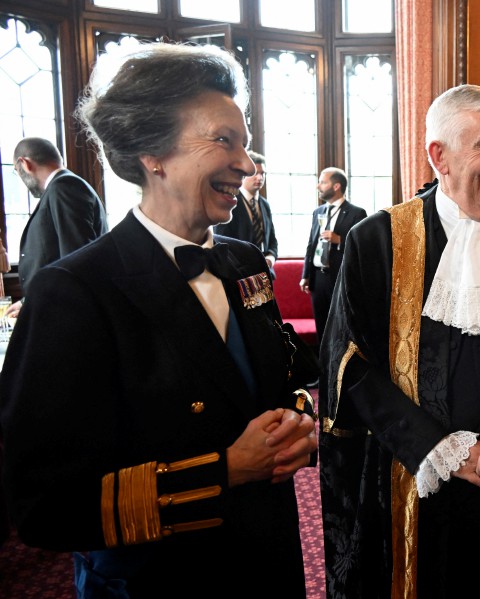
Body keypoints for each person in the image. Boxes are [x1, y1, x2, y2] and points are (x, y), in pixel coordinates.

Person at [0, 42, 319, 596]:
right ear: (154, 154)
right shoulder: (76, 292)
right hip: (158, 580)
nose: (245, 165)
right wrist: (224, 471)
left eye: (244, 144)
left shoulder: (243, 261)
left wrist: (296, 426)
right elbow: (44, 506)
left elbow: (276, 379)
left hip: (268, 560)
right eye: (223, 140)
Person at [318, 84, 480, 598]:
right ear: (438, 155)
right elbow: (348, 360)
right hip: (414, 475)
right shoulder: (378, 241)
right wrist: (432, 446)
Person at [9, 137, 108, 317]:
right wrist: (28, 301)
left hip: (67, 314)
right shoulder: (65, 186)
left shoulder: (64, 187)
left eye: (17, 171)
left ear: (24, 164)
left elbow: (76, 258)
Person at [299, 167, 367, 350]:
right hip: (318, 279)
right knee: (321, 326)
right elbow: (311, 245)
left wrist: (340, 240)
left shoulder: (357, 213)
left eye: (323, 182)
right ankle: (324, 375)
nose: (318, 186)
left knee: (341, 326)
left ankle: (342, 373)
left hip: (340, 278)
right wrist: (306, 275)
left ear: (336, 186)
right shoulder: (318, 212)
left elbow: (362, 248)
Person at [214, 150, 278, 277]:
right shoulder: (229, 201)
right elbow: (221, 241)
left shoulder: (265, 204)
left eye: (262, 174)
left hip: (265, 274)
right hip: (239, 275)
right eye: (255, 173)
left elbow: (272, 240)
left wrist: (270, 258)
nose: (260, 178)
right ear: (243, 175)